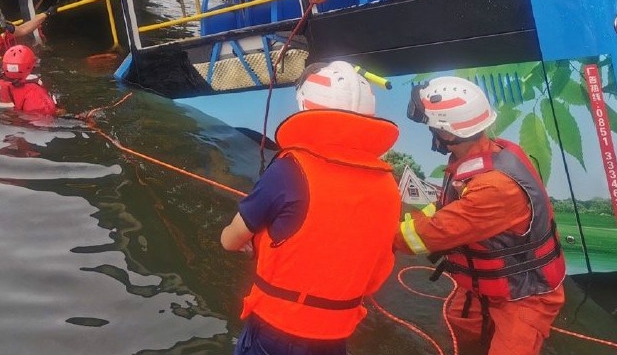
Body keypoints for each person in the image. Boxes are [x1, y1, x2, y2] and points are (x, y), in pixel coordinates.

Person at [220, 60, 402, 355]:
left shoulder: (289, 170)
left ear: (305, 106)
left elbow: (229, 241)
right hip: (335, 336)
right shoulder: (387, 186)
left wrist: (254, 239)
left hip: (275, 332)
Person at [396, 76, 566, 355]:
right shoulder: (480, 159)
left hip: (524, 295)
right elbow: (445, 211)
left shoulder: (494, 187)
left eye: (432, 126)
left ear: (448, 135)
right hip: (485, 288)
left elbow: (433, 233)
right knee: (462, 328)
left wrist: (381, 235)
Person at [0, 45, 57, 116]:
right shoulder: (33, 91)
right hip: (16, 124)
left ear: (4, 65)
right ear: (31, 65)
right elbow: (44, 116)